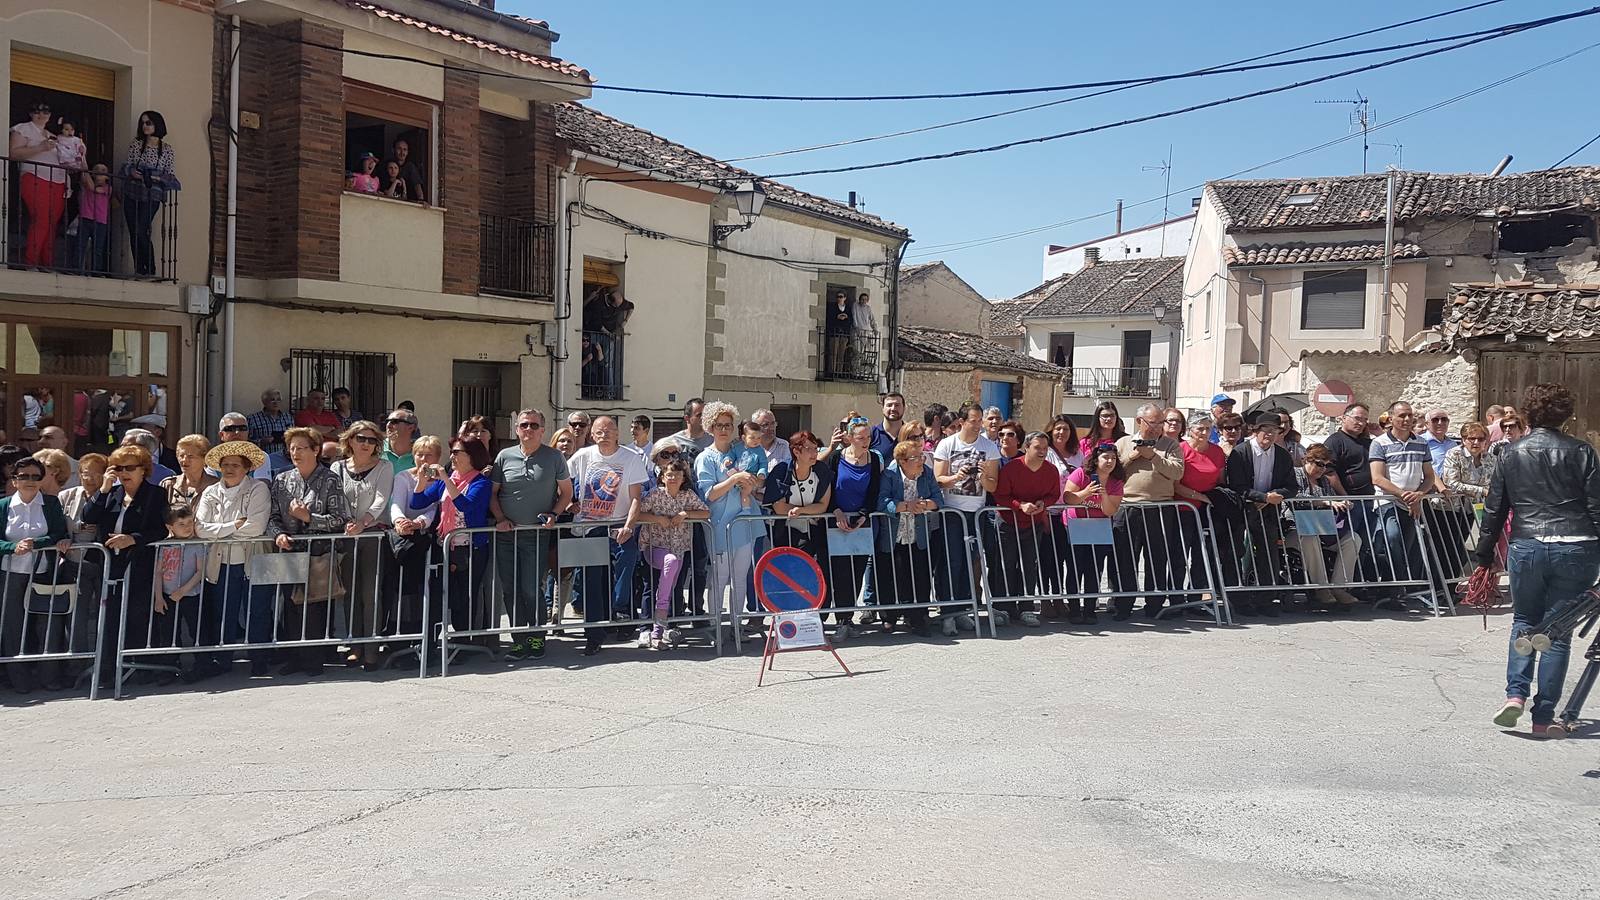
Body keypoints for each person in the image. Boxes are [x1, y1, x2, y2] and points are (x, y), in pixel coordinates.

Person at [1477, 383, 1600, 739]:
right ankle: (1543, 715)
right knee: (1556, 632)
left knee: (1524, 620)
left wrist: (1484, 555)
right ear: (1566, 415)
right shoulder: (1582, 451)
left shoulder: (1510, 453)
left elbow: (1496, 508)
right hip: (1577, 545)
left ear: (1527, 414)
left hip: (1528, 543)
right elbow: (1596, 506)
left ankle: (1515, 693)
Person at [265, 427, 351, 676]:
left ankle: (314, 658)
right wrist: (278, 534)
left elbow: (340, 519)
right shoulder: (282, 480)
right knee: (289, 606)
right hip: (289, 552)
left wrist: (309, 518)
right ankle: (293, 656)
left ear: (316, 450)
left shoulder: (330, 479)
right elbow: (272, 516)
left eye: (301, 448)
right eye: (292, 448)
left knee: (314, 608)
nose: (296, 453)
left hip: (318, 552)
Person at [490, 410, 572, 661]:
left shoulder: (554, 457)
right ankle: (518, 639)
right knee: (510, 589)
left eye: (533, 425)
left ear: (542, 430)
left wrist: (554, 514)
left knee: (530, 588)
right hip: (506, 535)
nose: (528, 429)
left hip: (535, 535)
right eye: (524, 425)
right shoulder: (504, 456)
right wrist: (501, 519)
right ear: (517, 429)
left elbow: (566, 493)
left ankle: (537, 636)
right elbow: (493, 494)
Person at [82, 445, 169, 680]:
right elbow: (88, 517)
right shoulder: (111, 493)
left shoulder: (155, 494)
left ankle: (137, 667)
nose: (123, 473)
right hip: (111, 565)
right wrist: (103, 488)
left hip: (139, 563)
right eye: (118, 468)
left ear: (143, 470)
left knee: (138, 615)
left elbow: (160, 529)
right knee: (110, 617)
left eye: (130, 468)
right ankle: (110, 669)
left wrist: (132, 539)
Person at [568, 416, 647, 655]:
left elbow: (636, 497)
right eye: (599, 431)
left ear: (617, 433)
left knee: (627, 560)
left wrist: (629, 526)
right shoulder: (582, 457)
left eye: (609, 430)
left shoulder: (631, 458)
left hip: (618, 524)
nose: (604, 434)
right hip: (588, 527)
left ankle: (620, 610)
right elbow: (562, 483)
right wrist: (569, 503)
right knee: (591, 580)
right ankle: (593, 634)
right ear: (592, 435)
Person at [193, 439, 272, 678]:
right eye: (225, 464)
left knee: (257, 609)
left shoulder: (258, 488)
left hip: (252, 559)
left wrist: (218, 530)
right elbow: (199, 528)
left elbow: (256, 527)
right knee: (223, 611)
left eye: (235, 465)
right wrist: (232, 525)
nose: (229, 469)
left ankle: (259, 659)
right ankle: (224, 658)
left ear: (246, 467)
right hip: (221, 562)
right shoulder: (211, 491)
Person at [695, 403, 766, 647]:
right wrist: (734, 478)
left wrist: (752, 484)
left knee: (740, 576)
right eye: (718, 425)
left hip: (743, 523)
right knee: (719, 577)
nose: (723, 429)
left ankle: (736, 624)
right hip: (719, 525)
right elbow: (708, 494)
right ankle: (716, 625)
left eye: (728, 425)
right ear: (710, 427)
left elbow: (756, 479)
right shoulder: (706, 457)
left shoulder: (741, 450)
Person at [0, 456, 72, 692]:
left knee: (47, 624)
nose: (30, 481)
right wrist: (12, 547)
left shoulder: (51, 503)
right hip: (10, 573)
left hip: (42, 571)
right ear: (14, 480)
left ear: (41, 479)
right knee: (12, 626)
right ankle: (19, 681)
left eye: (35, 476)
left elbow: (58, 533)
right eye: (24, 476)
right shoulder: (3, 505)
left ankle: (49, 677)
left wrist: (36, 543)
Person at [419, 437, 495, 652]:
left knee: (465, 596)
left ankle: (463, 644)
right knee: (440, 595)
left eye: (457, 452)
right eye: (451, 451)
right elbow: (418, 502)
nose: (451, 456)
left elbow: (466, 506)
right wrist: (421, 482)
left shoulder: (480, 482)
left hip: (471, 548)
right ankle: (434, 644)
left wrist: (445, 478)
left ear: (471, 456)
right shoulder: (446, 480)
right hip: (445, 546)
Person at [331, 421, 394, 669]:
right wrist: (349, 522)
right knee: (350, 594)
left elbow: (381, 499)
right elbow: (336, 498)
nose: (366, 444)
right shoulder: (337, 467)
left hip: (373, 536)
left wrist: (364, 522)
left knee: (371, 593)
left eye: (371, 440)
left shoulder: (384, 467)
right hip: (347, 536)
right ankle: (354, 646)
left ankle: (371, 648)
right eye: (361, 438)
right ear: (350, 440)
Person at [933, 401, 1001, 633]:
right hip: (952, 512)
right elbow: (938, 479)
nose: (977, 426)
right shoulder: (946, 444)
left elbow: (993, 486)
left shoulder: (989, 447)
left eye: (979, 421)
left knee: (969, 562)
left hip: (976, 513)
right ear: (961, 422)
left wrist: (983, 477)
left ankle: (963, 609)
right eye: (973, 421)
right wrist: (955, 477)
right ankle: (947, 613)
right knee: (951, 562)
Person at [1115, 403, 1186, 620]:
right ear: (1139, 421)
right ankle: (1123, 604)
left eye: (1160, 423)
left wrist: (1153, 456)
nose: (1156, 428)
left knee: (1157, 558)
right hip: (1128, 507)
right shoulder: (1124, 443)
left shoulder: (1171, 445)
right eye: (1152, 423)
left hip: (1160, 508)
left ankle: (1154, 604)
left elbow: (1177, 472)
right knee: (1125, 558)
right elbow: (1113, 471)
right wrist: (1133, 457)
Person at [1223, 411, 1298, 616]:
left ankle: (1266, 599)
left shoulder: (1282, 455)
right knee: (1237, 552)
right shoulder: (1240, 452)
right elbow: (1236, 485)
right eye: (1265, 430)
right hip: (1242, 508)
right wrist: (1261, 497)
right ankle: (1239, 599)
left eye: (1274, 431)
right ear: (1256, 432)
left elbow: (1292, 486)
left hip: (1268, 511)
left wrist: (1274, 496)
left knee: (1268, 554)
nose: (1269, 435)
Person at [630, 457, 709, 649]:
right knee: (653, 585)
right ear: (663, 477)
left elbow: (705, 512)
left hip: (680, 548)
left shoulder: (687, 495)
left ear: (683, 478)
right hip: (655, 548)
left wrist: (685, 514)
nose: (673, 478)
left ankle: (663, 628)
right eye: (669, 474)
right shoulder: (655, 495)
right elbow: (638, 514)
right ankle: (647, 629)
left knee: (672, 586)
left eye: (677, 474)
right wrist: (656, 519)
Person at [1369, 401, 1447, 593]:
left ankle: (1399, 587)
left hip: (1412, 503)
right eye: (1402, 415)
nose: (1406, 419)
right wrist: (1405, 496)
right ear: (1391, 418)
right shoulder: (1379, 443)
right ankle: (1395, 585)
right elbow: (1377, 478)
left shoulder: (1421, 443)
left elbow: (1429, 476)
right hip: (1388, 502)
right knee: (1392, 539)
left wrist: (1419, 494)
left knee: (1409, 545)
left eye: (1409, 415)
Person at [873, 440, 943, 637]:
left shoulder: (927, 473)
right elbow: (881, 502)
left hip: (918, 533)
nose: (921, 460)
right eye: (915, 457)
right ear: (902, 461)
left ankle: (917, 618)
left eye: (921, 456)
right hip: (894, 534)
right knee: (891, 576)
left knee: (920, 577)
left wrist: (925, 504)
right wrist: (905, 506)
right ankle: (889, 618)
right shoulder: (889, 474)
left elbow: (939, 500)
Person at [993, 432, 1060, 626]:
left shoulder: (1051, 470)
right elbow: (1000, 495)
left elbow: (1054, 494)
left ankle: (1027, 607)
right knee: (1006, 565)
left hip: (1033, 524)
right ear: (1028, 447)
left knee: (1030, 565)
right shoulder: (1012, 468)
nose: (1042, 452)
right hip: (1008, 523)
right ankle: (1002, 607)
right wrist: (1019, 505)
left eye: (1045, 448)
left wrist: (1042, 503)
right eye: (1037, 447)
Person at [824, 419, 883, 639]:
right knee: (840, 572)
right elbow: (828, 487)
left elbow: (874, 490)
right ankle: (840, 620)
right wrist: (836, 510)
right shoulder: (836, 458)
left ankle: (849, 619)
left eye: (868, 437)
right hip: (837, 520)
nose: (865, 441)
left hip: (861, 522)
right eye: (860, 437)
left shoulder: (874, 459)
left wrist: (863, 515)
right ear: (849, 437)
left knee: (858, 570)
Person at [1290, 444, 1362, 608]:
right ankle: (1320, 587)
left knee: (1353, 539)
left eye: (1326, 465)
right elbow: (1295, 496)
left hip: (1323, 527)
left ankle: (1339, 586)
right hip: (1295, 527)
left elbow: (1332, 499)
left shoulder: (1325, 482)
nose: (1322, 469)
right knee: (1310, 538)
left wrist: (1342, 503)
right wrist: (1323, 501)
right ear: (1307, 460)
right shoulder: (1295, 474)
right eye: (1318, 463)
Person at [1062, 444, 1126, 624]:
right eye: (1106, 457)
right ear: (1096, 459)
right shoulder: (1081, 474)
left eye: (1113, 458)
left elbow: (1110, 510)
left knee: (1094, 569)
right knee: (1075, 569)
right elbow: (1068, 497)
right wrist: (1086, 492)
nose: (1110, 461)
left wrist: (1104, 495)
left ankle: (1090, 610)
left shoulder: (1116, 481)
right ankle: (1074, 609)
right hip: (1076, 525)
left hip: (1099, 526)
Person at [1172, 412, 1227, 606]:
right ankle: (1176, 599)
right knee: (1179, 556)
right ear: (1190, 430)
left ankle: (1195, 600)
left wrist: (1213, 498)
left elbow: (1220, 480)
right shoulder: (1180, 450)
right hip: (1183, 509)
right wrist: (1199, 496)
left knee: (1202, 556)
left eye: (1208, 428)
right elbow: (1175, 484)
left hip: (1207, 511)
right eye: (1200, 428)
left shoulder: (1217, 452)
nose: (1204, 432)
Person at [10, 101, 69, 268]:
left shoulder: (54, 135)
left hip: (57, 182)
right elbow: (13, 153)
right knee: (42, 219)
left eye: (45, 111)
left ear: (50, 115)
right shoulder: (23, 128)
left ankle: (47, 263)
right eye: (37, 111)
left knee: (52, 223)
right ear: (30, 113)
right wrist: (41, 147)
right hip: (34, 177)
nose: (41, 114)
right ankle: (31, 262)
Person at [120, 110, 177, 276]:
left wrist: (154, 176)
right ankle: (140, 268)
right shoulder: (136, 144)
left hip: (152, 194)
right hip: (132, 191)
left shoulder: (167, 150)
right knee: (133, 231)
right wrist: (132, 172)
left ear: (157, 124)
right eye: (143, 123)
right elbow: (126, 165)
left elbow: (170, 174)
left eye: (149, 123)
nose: (145, 126)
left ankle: (149, 268)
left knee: (141, 229)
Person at [765, 430, 833, 566]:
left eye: (816, 449)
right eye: (809, 449)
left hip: (811, 531)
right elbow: (779, 508)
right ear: (796, 452)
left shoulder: (822, 471)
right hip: (784, 532)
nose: (815, 453)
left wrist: (800, 511)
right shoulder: (781, 470)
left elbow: (823, 506)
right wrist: (809, 511)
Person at [155, 505, 208, 677]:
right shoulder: (164, 546)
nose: (187, 527)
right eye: (181, 524)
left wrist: (184, 590)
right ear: (170, 527)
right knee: (169, 632)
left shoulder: (197, 544)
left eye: (190, 522)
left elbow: (200, 571)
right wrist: (158, 597)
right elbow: (158, 572)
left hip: (191, 594)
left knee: (197, 630)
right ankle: (169, 667)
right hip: (167, 595)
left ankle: (202, 664)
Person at [73, 163, 114, 273]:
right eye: (97, 169)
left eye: (103, 170)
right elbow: (84, 180)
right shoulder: (86, 184)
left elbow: (93, 188)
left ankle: (96, 270)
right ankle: (75, 268)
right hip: (86, 217)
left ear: (107, 177)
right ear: (93, 174)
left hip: (100, 221)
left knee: (98, 248)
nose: (100, 172)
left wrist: (86, 170)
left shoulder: (108, 188)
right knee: (80, 245)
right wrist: (83, 164)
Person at [161, 434, 217, 510]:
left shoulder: (216, 486)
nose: (184, 460)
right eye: (181, 455)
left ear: (204, 459)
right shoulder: (168, 485)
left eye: (190, 456)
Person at [661, 398, 713, 464]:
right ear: (687, 418)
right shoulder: (673, 442)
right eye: (699, 415)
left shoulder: (714, 441)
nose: (703, 418)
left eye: (705, 415)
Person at [248, 390, 293, 455]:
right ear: (264, 402)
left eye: (278, 400)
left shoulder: (288, 417)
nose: (276, 403)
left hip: (284, 458)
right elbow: (246, 441)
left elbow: (294, 438)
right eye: (272, 400)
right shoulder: (253, 419)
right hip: (263, 458)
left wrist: (287, 438)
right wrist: (261, 442)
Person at [385, 137, 425, 202]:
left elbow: (417, 185)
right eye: (399, 149)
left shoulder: (410, 167)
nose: (402, 152)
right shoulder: (387, 165)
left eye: (405, 149)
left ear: (407, 152)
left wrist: (421, 200)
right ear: (393, 150)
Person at [824, 290, 854, 378]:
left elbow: (851, 320)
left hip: (844, 333)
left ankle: (839, 372)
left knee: (841, 354)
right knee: (833, 353)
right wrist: (837, 317)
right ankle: (832, 371)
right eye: (838, 297)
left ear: (845, 298)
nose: (839, 298)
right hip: (834, 333)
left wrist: (846, 317)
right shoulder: (833, 307)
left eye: (841, 297)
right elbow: (829, 318)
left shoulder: (848, 308)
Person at [869, 393, 905, 461]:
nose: (893, 408)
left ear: (904, 408)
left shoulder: (911, 434)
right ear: (883, 408)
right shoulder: (872, 434)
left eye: (897, 405)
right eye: (889, 405)